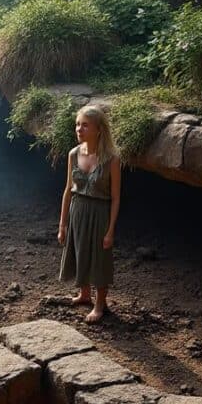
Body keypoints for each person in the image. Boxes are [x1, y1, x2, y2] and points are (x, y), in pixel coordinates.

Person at [58, 105, 122, 324]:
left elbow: (116, 198)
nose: (79, 129)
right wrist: (62, 224)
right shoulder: (73, 154)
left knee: (99, 257)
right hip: (77, 208)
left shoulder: (112, 159)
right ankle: (84, 294)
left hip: (100, 212)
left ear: (98, 129)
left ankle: (99, 304)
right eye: (77, 124)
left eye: (85, 125)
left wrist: (111, 229)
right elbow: (68, 189)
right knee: (78, 250)